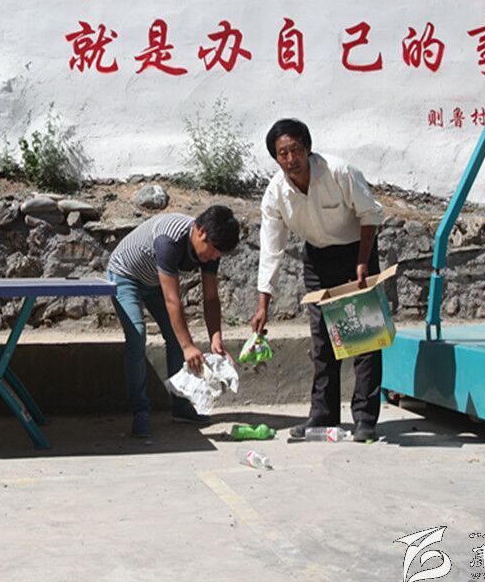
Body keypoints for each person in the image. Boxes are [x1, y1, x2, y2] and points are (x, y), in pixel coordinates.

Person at [250, 119, 384, 442]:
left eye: (296, 150)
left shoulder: (339, 172)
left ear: (307, 148)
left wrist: (363, 261)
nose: (290, 159)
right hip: (317, 259)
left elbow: (370, 214)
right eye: (282, 153)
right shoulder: (276, 194)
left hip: (357, 252)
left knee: (364, 338)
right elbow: (271, 248)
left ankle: (365, 419)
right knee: (323, 341)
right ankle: (323, 413)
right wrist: (263, 303)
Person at [108, 205, 241, 438]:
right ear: (200, 232)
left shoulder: (211, 249)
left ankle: (180, 406)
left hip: (155, 281)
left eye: (220, 253)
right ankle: (141, 411)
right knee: (137, 334)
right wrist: (188, 346)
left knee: (175, 335)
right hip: (126, 274)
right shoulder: (169, 240)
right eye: (214, 250)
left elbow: (211, 297)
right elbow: (172, 299)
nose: (215, 256)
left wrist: (216, 337)